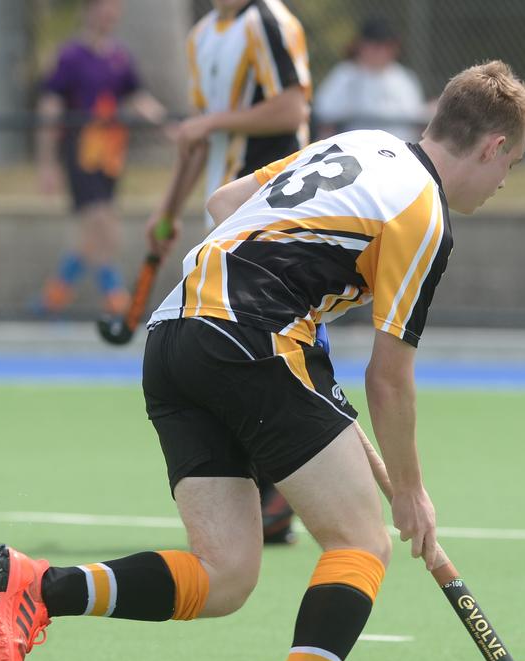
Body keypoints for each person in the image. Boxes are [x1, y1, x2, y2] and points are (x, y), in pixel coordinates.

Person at [0, 59, 525, 661]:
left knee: (226, 575)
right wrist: (411, 492)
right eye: (513, 164)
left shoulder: (359, 144)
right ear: (493, 145)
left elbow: (223, 205)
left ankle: (42, 587)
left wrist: (304, 315)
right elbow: (388, 379)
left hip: (175, 337)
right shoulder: (426, 214)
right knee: (362, 541)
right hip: (254, 340)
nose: (506, 180)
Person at [148, 0, 313, 544]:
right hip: (222, 212)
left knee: (269, 346)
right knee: (232, 348)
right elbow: (199, 139)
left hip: (271, 213)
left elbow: (291, 110)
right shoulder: (201, 37)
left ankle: (282, 491)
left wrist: (213, 120)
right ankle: (261, 492)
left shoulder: (268, 22)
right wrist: (169, 210)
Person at [34, 0, 167, 317]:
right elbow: (49, 107)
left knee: (94, 235)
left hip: (110, 158)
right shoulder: (70, 56)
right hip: (80, 154)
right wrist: (47, 162)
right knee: (103, 227)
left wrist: (172, 127)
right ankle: (120, 302)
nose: (110, 13)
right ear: (88, 10)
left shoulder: (120, 57)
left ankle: (52, 298)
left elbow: (138, 98)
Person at [314, 17, 427, 142]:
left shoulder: (404, 77)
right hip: (354, 150)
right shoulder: (345, 74)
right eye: (376, 46)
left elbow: (416, 118)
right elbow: (325, 115)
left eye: (387, 46)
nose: (381, 51)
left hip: (399, 149)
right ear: (361, 46)